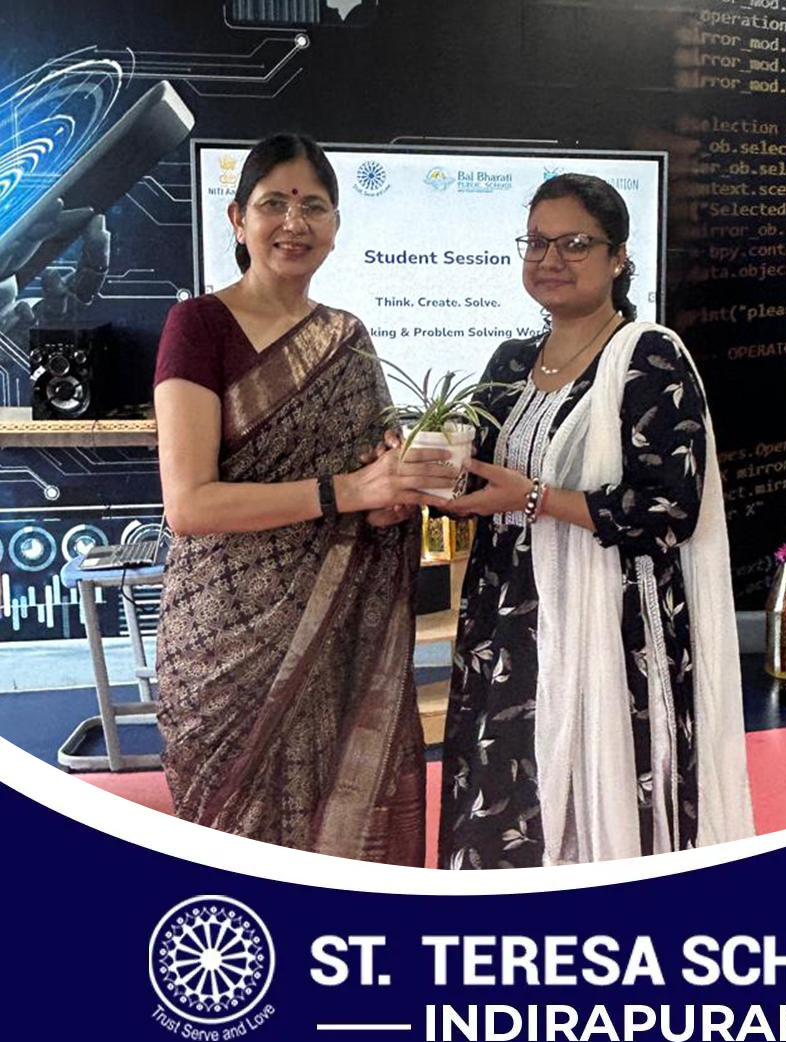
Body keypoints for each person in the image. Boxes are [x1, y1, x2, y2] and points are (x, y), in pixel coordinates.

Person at [153, 133, 456, 864]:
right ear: (237, 219)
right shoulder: (199, 326)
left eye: (313, 206)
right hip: (224, 640)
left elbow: (374, 488)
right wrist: (347, 490)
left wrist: (392, 498)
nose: (294, 223)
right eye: (274, 204)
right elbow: (189, 506)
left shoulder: (348, 338)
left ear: (336, 225)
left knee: (335, 843)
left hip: (334, 630)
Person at [438, 174, 754, 869]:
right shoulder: (510, 362)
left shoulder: (648, 355)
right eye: (536, 242)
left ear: (618, 257)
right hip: (508, 622)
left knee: (598, 798)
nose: (550, 259)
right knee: (502, 797)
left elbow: (669, 509)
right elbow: (478, 477)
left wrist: (536, 499)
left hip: (612, 630)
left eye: (574, 243)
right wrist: (421, 469)